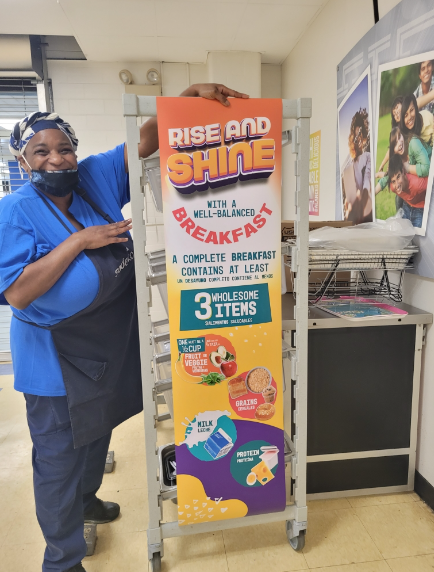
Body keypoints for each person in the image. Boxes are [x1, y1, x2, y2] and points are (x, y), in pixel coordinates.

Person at [0, 83, 248, 572]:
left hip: (105, 345)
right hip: (55, 361)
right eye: (41, 152)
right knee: (57, 459)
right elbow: (18, 292)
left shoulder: (93, 178)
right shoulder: (15, 211)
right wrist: (79, 243)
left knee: (96, 435)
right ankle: (63, 559)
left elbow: (148, 139)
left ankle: (88, 501)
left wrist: (186, 96)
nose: (56, 159)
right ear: (24, 161)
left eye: (64, 147)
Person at [375, 154, 426, 228]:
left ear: (403, 171)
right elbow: (386, 178)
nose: (397, 184)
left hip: (420, 208)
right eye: (393, 181)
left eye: (398, 177)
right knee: (400, 232)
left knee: (416, 235)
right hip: (406, 204)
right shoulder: (392, 184)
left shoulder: (418, 183)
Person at [344, 108, 372, 223]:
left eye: (361, 135)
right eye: (356, 137)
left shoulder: (367, 156)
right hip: (354, 215)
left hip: (366, 210)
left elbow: (367, 179)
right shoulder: (348, 167)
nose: (359, 139)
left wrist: (363, 200)